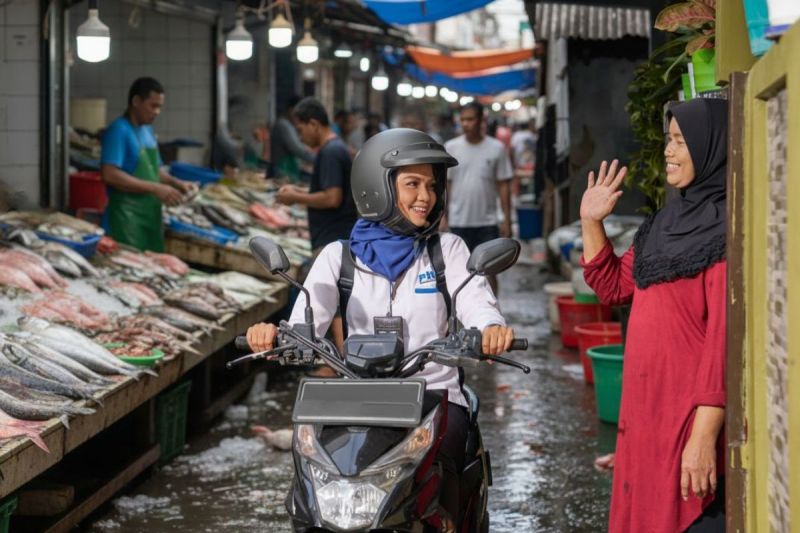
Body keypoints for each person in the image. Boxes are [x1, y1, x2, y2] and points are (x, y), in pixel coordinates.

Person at [246, 128, 515, 527]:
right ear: (377, 186)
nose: (426, 197)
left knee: (451, 459)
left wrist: (490, 328)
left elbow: (477, 299)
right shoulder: (338, 258)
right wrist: (273, 335)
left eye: (432, 185)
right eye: (412, 184)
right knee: (310, 473)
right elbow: (305, 320)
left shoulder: (447, 251)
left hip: (437, 396)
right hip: (354, 400)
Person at [579, 98, 727, 533]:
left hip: (688, 418)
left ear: (710, 147)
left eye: (680, 141)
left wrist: (702, 439)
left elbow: (721, 347)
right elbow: (613, 286)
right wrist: (591, 221)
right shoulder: (663, 223)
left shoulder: (723, 231)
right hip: (647, 412)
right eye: (668, 139)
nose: (668, 150)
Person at [100, 77, 197, 252]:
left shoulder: (147, 130)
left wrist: (177, 183)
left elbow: (155, 170)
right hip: (126, 219)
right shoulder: (119, 130)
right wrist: (155, 188)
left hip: (150, 215)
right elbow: (110, 174)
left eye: (160, 107)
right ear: (136, 101)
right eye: (153, 106)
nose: (157, 112)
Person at [443, 102, 513, 292]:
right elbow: (445, 185)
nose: (466, 124)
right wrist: (443, 216)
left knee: (489, 271)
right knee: (458, 271)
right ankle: (458, 315)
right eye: (463, 119)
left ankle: (493, 314)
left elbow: (503, 185)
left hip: (487, 221)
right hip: (459, 221)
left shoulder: (496, 148)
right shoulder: (451, 147)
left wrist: (507, 219)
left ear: (482, 120)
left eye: (470, 119)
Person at [275, 97, 358, 254]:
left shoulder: (331, 152)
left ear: (313, 124)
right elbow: (329, 190)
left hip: (333, 240)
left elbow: (332, 198)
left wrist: (296, 197)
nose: (300, 137)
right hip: (334, 239)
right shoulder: (333, 148)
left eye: (300, 130)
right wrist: (297, 190)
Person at [270, 95, 315, 182]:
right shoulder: (283, 125)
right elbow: (297, 148)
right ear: (291, 110)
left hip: (287, 171)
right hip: (282, 172)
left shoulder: (289, 126)